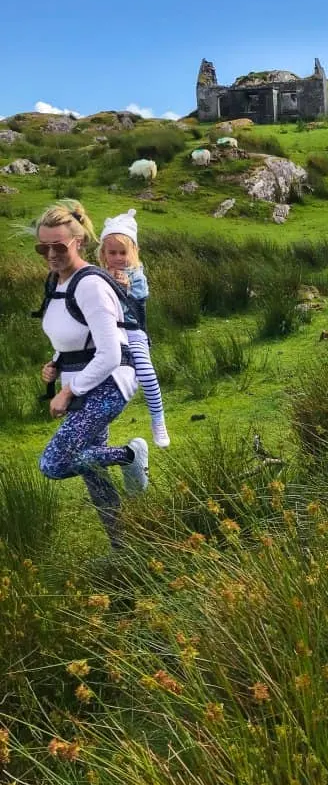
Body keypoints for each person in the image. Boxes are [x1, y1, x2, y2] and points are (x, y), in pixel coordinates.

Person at [35, 199, 148, 551]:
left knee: (54, 463)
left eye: (59, 245)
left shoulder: (90, 286)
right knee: (90, 469)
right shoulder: (56, 283)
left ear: (79, 241)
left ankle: (130, 455)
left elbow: (111, 352)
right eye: (43, 246)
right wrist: (54, 363)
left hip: (109, 384)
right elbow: (71, 334)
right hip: (84, 382)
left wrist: (68, 392)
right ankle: (123, 550)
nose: (51, 254)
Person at [98, 208, 170, 448]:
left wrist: (125, 287)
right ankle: (98, 427)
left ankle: (158, 420)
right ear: (104, 253)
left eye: (123, 252)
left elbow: (140, 299)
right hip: (105, 334)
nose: (118, 257)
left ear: (134, 252)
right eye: (112, 252)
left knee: (147, 373)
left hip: (131, 330)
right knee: (98, 379)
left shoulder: (137, 276)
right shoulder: (97, 275)